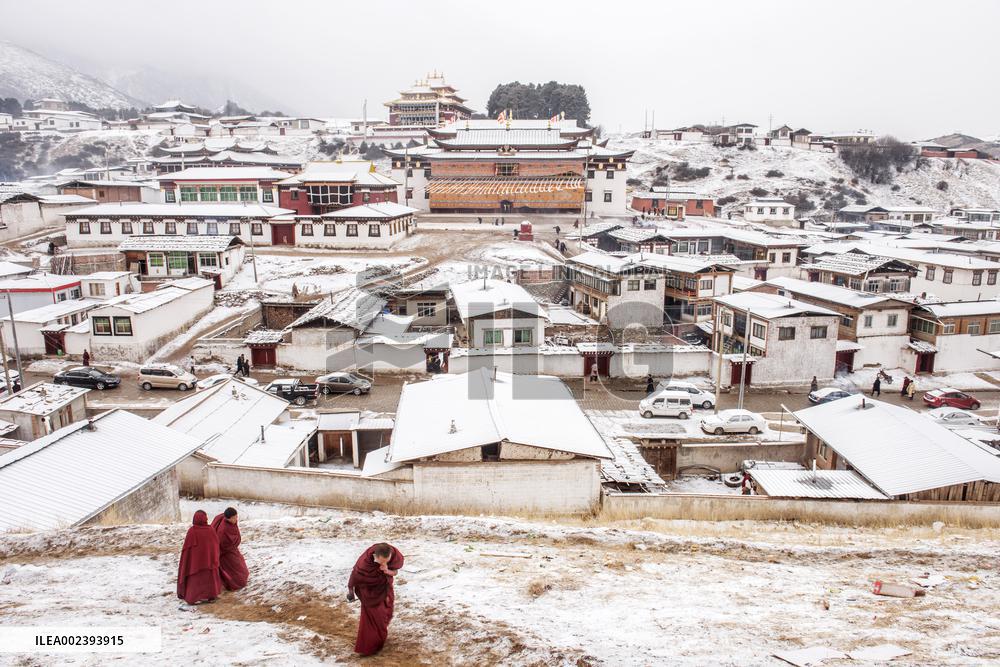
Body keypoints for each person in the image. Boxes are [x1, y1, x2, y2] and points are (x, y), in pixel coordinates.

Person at [348, 542, 404, 657]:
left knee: (386, 615)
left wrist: (387, 570)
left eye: (386, 560)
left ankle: (378, 640)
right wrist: (350, 591)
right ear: (375, 556)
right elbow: (355, 575)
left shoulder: (392, 554)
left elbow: (395, 572)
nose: (384, 563)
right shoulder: (364, 563)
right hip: (369, 594)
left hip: (385, 590)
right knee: (374, 620)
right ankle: (369, 647)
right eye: (381, 561)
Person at [177, 510, 222, 606]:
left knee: (195, 579)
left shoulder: (192, 531)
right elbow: (215, 546)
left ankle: (193, 597)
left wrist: (188, 561)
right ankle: (211, 596)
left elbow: (186, 550)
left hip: (195, 564)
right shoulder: (210, 530)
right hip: (209, 562)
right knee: (209, 578)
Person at [211, 508, 249, 592]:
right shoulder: (223, 530)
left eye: (236, 516)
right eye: (234, 518)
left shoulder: (227, 519)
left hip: (232, 549)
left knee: (240, 566)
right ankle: (234, 583)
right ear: (229, 518)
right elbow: (222, 544)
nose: (236, 519)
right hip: (225, 553)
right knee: (235, 570)